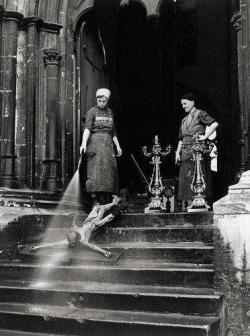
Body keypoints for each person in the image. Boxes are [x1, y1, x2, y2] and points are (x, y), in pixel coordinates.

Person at [30, 195, 121, 258]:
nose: (69, 240)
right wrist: (105, 252)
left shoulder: (72, 237)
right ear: (75, 240)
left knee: (96, 208)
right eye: (71, 239)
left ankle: (114, 203)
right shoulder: (83, 241)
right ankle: (115, 203)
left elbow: (53, 244)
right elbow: (94, 247)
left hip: (87, 222)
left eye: (70, 236)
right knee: (101, 209)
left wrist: (37, 247)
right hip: (94, 223)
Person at [175, 93, 219, 210]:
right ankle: (190, 204)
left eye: (185, 103)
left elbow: (215, 124)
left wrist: (205, 137)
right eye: (182, 104)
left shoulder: (200, 114)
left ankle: (201, 201)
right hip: (185, 151)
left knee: (199, 174)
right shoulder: (184, 120)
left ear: (192, 102)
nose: (183, 106)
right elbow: (181, 137)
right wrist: (177, 152)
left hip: (197, 149)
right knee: (186, 177)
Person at [80, 88, 122, 206]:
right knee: (95, 172)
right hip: (95, 144)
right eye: (99, 101)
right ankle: (95, 200)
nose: (101, 103)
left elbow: (113, 132)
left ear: (107, 101)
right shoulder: (91, 112)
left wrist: (118, 146)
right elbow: (87, 128)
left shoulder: (110, 113)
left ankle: (107, 198)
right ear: (96, 99)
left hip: (108, 145)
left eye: (103, 101)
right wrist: (84, 143)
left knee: (109, 171)